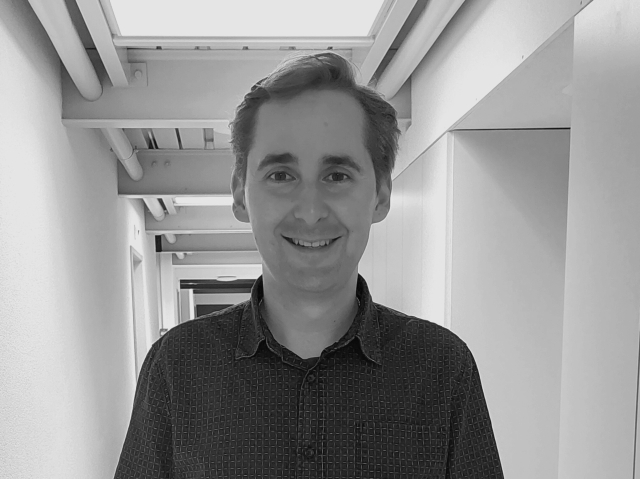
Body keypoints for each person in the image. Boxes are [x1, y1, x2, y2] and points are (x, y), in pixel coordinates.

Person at [114, 52, 504, 478]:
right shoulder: (177, 368)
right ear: (240, 194)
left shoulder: (443, 370)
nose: (311, 211)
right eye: (281, 175)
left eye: (337, 175)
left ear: (381, 195)